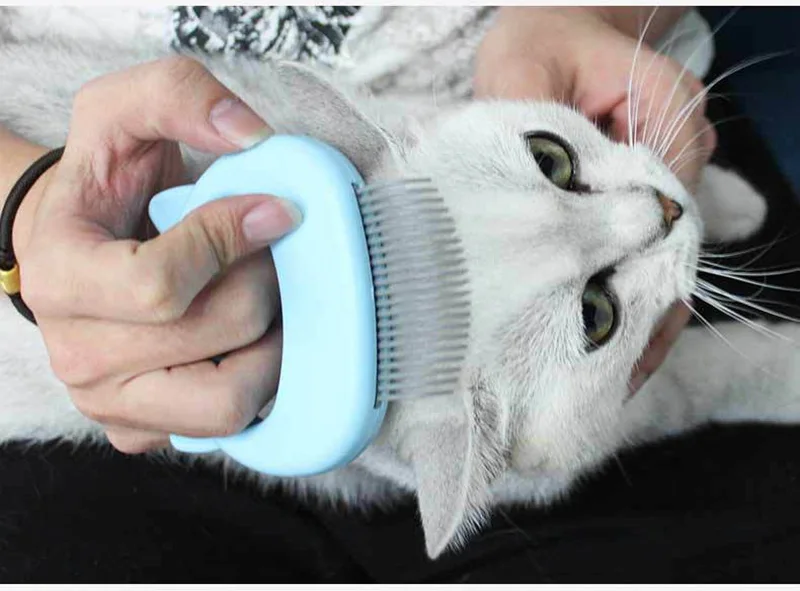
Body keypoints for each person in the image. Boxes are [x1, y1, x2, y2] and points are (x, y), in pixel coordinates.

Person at [0, 6, 713, 453]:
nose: (655, 215)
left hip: (606, 84)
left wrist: (580, 14)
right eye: (594, 313)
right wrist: (23, 208)